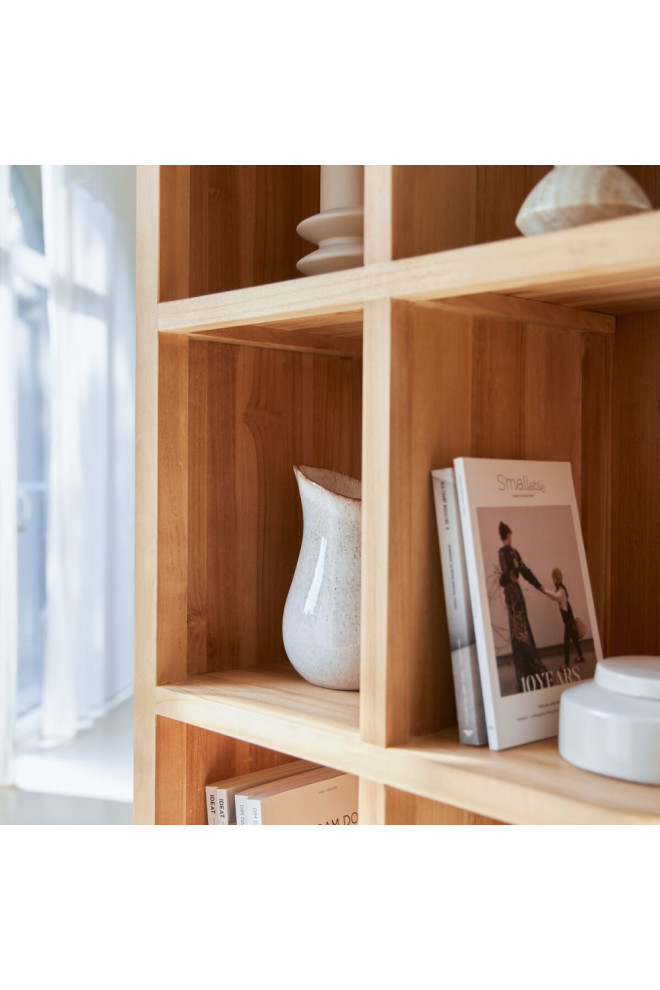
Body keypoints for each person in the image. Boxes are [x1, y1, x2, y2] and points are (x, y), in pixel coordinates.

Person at [498, 522, 549, 692]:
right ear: (509, 536)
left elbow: (505, 574)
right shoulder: (515, 552)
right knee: (525, 632)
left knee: (517, 637)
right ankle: (537, 674)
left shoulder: (502, 553)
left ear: (502, 536)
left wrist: (501, 579)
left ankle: (525, 679)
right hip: (519, 595)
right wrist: (538, 585)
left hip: (512, 597)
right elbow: (525, 571)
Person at [542, 567, 585, 667]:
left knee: (566, 642)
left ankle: (566, 664)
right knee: (574, 638)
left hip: (568, 620)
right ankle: (581, 656)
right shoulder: (561, 588)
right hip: (569, 618)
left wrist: (545, 590)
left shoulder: (561, 590)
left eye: (553, 577)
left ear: (556, 578)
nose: (552, 580)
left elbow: (555, 597)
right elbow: (565, 603)